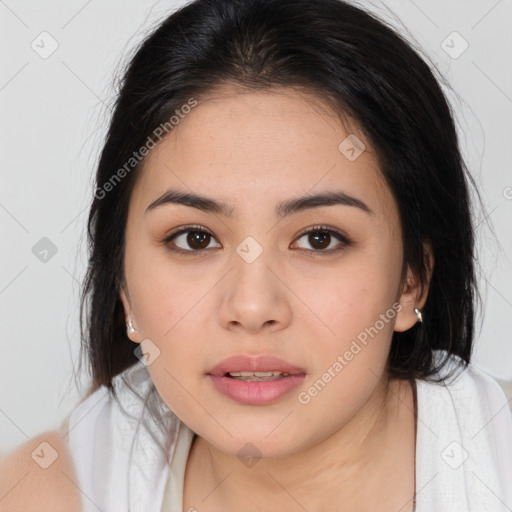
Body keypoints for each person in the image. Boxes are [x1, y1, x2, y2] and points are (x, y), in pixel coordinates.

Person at [1, 0, 511, 510]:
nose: (251, 307)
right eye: (194, 239)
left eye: (319, 238)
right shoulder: (43, 492)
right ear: (123, 286)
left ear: (411, 281)